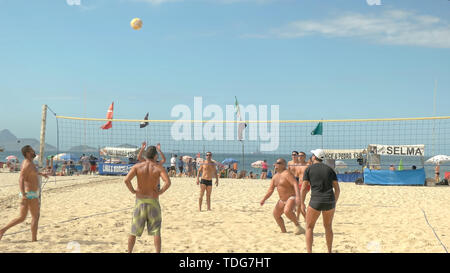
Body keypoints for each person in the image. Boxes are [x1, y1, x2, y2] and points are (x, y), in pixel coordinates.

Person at [124, 145, 171, 253]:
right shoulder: (158, 167)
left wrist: (132, 191)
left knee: (134, 231)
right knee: (156, 231)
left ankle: (129, 251)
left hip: (140, 200)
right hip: (153, 201)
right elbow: (168, 182)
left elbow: (126, 180)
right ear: (155, 156)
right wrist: (160, 192)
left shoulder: (137, 166)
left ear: (145, 155)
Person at [0, 145, 49, 242]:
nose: (34, 151)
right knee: (35, 216)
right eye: (32, 150)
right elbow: (21, 178)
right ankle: (34, 240)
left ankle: (2, 230)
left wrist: (41, 174)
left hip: (29, 193)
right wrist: (23, 194)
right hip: (29, 193)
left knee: (22, 217)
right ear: (27, 152)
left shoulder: (29, 163)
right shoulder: (28, 164)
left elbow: (31, 173)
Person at [300, 149, 340, 253]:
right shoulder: (330, 169)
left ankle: (309, 251)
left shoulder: (309, 169)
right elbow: (337, 189)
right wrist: (334, 202)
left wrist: (301, 203)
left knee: (309, 227)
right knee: (328, 227)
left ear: (314, 157)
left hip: (316, 201)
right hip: (329, 201)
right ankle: (329, 251)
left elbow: (304, 188)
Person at [260, 158, 304, 235]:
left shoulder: (287, 174)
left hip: (291, 197)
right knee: (276, 214)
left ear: (284, 165)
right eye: (276, 163)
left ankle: (298, 226)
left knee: (287, 211)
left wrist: (297, 197)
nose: (276, 164)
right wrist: (264, 199)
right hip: (282, 200)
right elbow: (270, 190)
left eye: (279, 163)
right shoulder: (275, 177)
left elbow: (295, 184)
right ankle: (283, 231)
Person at [288, 151, 311, 220]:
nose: (300, 157)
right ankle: (298, 218)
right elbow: (296, 176)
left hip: (306, 185)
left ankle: (306, 218)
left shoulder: (308, 165)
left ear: (304, 157)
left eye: (302, 156)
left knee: (300, 202)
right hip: (299, 184)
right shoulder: (297, 166)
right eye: (299, 156)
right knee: (299, 202)